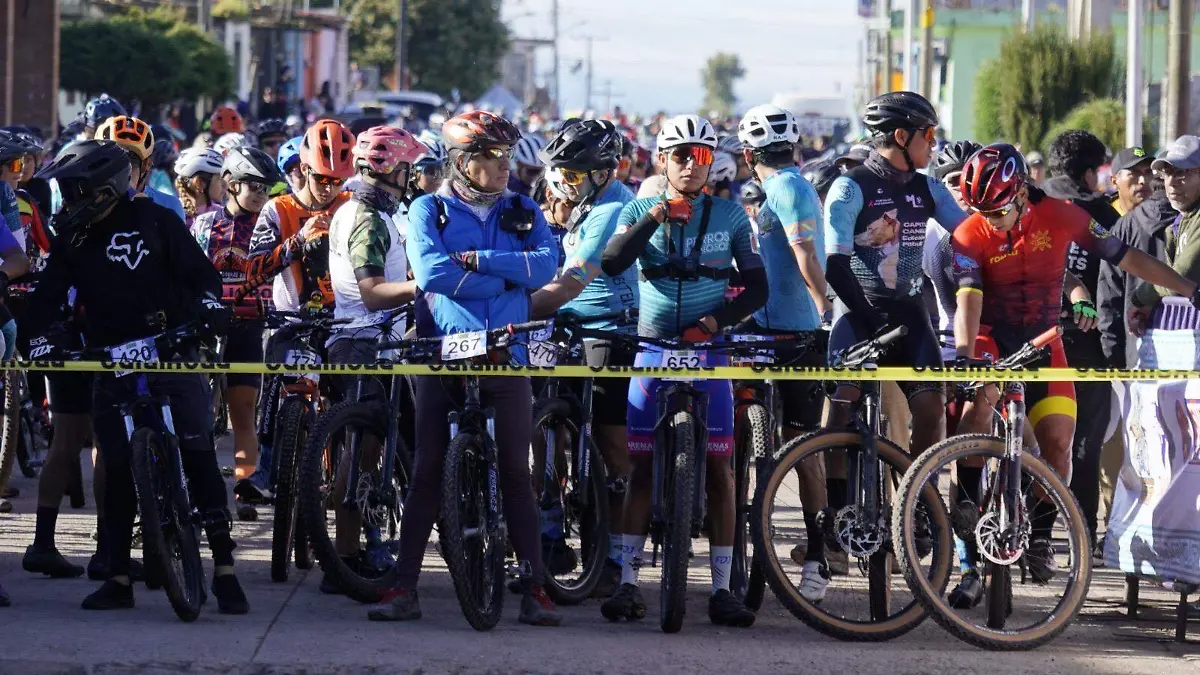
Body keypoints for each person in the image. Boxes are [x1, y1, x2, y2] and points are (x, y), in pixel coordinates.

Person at [949, 144, 1197, 606]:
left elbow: (1126, 257)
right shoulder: (967, 235)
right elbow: (968, 299)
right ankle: (966, 531)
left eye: (998, 209)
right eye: (982, 210)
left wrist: (1188, 288)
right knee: (975, 415)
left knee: (1059, 446)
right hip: (989, 337)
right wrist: (965, 356)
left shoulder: (1063, 215)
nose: (991, 220)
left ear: (1021, 192)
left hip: (1044, 342)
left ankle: (1040, 538)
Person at [27, 140, 249, 613]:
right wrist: (44, 337)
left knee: (198, 452)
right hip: (111, 359)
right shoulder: (73, 240)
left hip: (174, 350)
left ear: (106, 188)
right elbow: (44, 301)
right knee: (118, 466)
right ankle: (120, 576)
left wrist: (211, 305)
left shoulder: (158, 221)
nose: (68, 203)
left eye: (76, 191)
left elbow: (202, 275)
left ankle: (226, 567)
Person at [367, 110, 562, 626]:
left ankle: (535, 589)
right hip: (443, 353)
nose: (505, 166)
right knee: (428, 468)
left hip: (506, 353)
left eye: (506, 156)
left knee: (517, 473)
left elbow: (546, 268)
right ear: (461, 161)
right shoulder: (429, 209)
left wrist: (477, 262)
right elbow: (430, 274)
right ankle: (404, 588)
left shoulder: (522, 207)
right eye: (492, 157)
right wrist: (507, 280)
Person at [599, 114, 768, 628]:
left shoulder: (732, 216)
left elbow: (757, 289)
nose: (691, 167)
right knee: (641, 470)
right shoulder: (637, 206)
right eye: (680, 156)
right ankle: (628, 582)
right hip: (652, 348)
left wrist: (716, 320)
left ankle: (720, 588)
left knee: (720, 470)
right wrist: (655, 217)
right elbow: (611, 261)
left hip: (709, 350)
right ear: (662, 160)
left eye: (700, 157)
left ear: (712, 162)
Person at [823, 92, 965, 481]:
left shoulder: (930, 189)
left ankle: (913, 502)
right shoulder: (850, 188)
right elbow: (834, 267)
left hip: (908, 313)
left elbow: (973, 235)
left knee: (932, 411)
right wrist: (870, 319)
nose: (934, 143)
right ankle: (834, 514)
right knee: (840, 410)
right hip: (858, 310)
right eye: (929, 134)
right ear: (902, 136)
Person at [527, 120, 638, 596]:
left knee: (613, 450)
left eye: (575, 175)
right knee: (547, 435)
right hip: (565, 328)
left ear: (602, 172)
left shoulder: (612, 208)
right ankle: (550, 540)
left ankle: (616, 558)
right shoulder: (584, 204)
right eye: (562, 174)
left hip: (612, 332)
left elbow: (573, 280)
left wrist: (511, 311)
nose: (564, 184)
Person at [736, 103, 834, 600]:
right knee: (754, 444)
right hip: (761, 329)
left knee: (802, 447)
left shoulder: (792, 187)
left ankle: (818, 554)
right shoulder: (767, 190)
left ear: (750, 153)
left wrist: (825, 309)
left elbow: (805, 254)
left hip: (797, 332)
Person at [324, 126, 424, 586]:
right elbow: (371, 293)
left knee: (362, 448)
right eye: (411, 169)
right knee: (362, 452)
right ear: (396, 171)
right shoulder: (367, 217)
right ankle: (346, 553)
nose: (414, 178)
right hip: (366, 341)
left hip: (362, 339)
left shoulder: (360, 210)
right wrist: (426, 288)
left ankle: (351, 549)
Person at [1041, 129, 1121, 560]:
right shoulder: (1104, 218)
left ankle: (1034, 538)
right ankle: (1082, 536)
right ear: (1091, 173)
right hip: (1089, 346)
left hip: (1035, 341)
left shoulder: (1030, 204)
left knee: (1034, 443)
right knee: (1085, 445)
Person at [191, 147, 283, 519]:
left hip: (250, 324)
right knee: (198, 413)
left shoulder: (270, 223)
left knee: (242, 411)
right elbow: (191, 273)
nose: (262, 194)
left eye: (267, 188)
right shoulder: (203, 225)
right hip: (208, 326)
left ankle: (246, 489)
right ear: (229, 184)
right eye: (254, 186)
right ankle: (202, 490)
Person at [245, 119, 355, 314]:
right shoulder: (277, 208)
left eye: (337, 181)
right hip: (292, 321)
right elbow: (254, 271)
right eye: (321, 179)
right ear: (304, 169)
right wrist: (299, 240)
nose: (329, 189)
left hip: (346, 319)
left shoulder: (352, 204)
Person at [1130, 136, 1200, 320]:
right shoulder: (1178, 224)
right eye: (1167, 173)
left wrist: (1139, 298)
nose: (1171, 182)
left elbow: (1179, 279)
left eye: (1182, 172)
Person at [94, 116, 186, 221]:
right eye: (111, 163)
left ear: (145, 166)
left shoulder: (170, 206)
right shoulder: (86, 205)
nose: (119, 172)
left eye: (130, 162)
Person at [174, 147, 227, 226]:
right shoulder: (174, 216)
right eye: (219, 178)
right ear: (199, 183)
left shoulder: (222, 215)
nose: (225, 185)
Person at [1110, 147, 1154, 217]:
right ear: (1115, 182)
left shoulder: (1166, 217)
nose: (1143, 180)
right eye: (1135, 173)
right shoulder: (1101, 219)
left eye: (1148, 172)